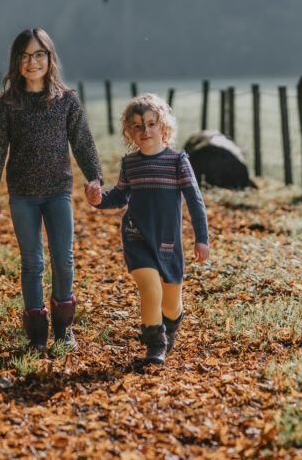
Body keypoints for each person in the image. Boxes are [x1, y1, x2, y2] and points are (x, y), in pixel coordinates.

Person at [0, 28, 103, 352]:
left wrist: (95, 178)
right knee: (32, 262)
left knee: (63, 258)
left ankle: (64, 328)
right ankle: (36, 332)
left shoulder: (66, 100)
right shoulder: (8, 104)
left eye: (38, 55)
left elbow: (83, 143)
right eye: (25, 56)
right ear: (16, 62)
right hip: (22, 195)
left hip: (58, 192)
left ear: (49, 58)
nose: (32, 62)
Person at [86, 93, 210, 366]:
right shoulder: (130, 164)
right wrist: (98, 200)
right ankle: (155, 346)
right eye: (138, 126)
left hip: (169, 243)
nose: (145, 131)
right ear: (130, 131)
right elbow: (120, 197)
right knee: (150, 289)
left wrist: (202, 238)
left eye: (151, 124)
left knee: (169, 304)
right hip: (136, 236)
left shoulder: (178, 161)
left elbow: (195, 201)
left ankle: (173, 321)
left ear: (163, 127)